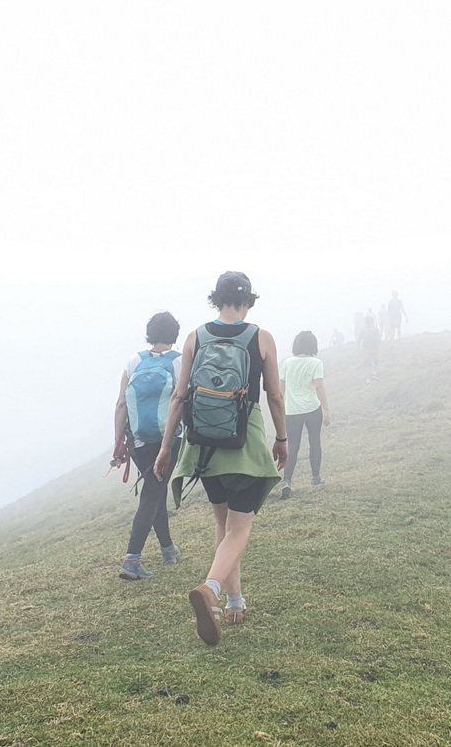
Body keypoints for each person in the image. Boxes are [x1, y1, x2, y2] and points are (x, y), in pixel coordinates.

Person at [155, 271, 288, 647]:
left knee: (223, 524)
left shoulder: (196, 337)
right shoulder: (261, 337)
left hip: (203, 446)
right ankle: (212, 590)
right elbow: (275, 397)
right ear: (248, 302)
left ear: (217, 300)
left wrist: (167, 447)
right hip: (243, 445)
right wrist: (282, 438)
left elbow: (180, 397)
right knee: (240, 528)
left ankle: (234, 603)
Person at [112, 312, 183, 581]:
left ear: (149, 334)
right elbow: (182, 400)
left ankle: (168, 550)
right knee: (152, 494)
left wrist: (118, 443)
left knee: (155, 490)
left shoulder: (133, 362)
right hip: (168, 439)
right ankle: (132, 560)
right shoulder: (179, 363)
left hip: (138, 442)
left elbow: (121, 404)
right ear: (174, 335)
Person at [279, 331, 331, 499]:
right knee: (315, 442)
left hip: (292, 411)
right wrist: (326, 410)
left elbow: (281, 391)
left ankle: (287, 481)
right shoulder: (316, 363)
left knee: (292, 446)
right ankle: (316, 479)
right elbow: (319, 387)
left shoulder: (286, 363)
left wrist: (280, 411)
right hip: (312, 409)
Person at [358, 313, 381, 383]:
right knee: (375, 361)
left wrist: (358, 348)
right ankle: (374, 373)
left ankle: (368, 379)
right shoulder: (375, 329)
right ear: (373, 321)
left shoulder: (364, 329)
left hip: (365, 347)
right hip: (374, 347)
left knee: (367, 363)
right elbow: (379, 338)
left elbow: (359, 339)